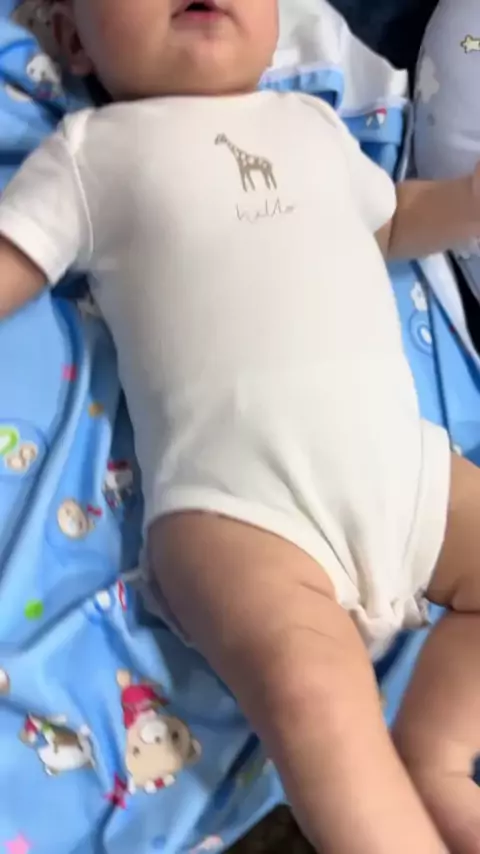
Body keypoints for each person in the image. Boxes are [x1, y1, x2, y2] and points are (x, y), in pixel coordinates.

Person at [1, 1, 480, 850]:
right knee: (314, 697)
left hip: (409, 477)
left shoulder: (313, 124)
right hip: (239, 517)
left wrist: (469, 202)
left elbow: (393, 223)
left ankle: (438, 755)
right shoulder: (90, 153)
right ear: (75, 39)